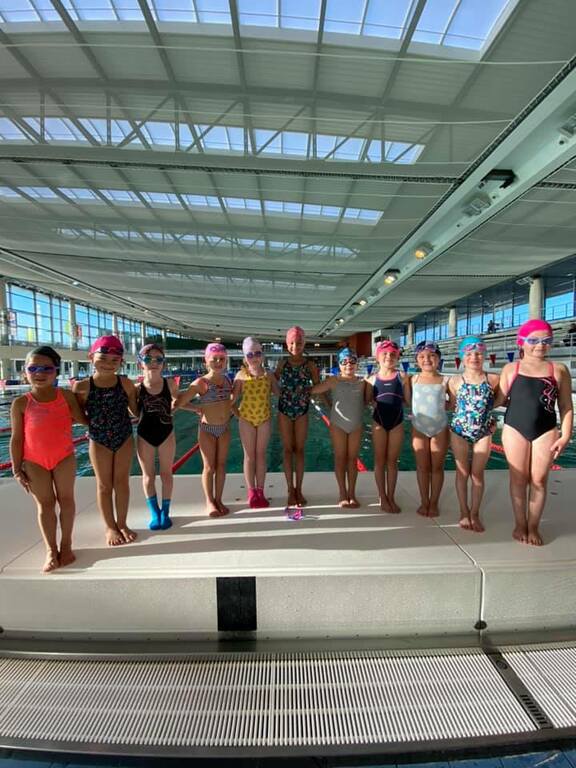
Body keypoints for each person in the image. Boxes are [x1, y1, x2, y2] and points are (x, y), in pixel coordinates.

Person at [10, 346, 87, 572]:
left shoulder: (66, 396)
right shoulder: (21, 403)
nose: (40, 373)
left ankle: (66, 545)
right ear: (25, 372)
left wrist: (89, 399)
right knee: (45, 505)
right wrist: (16, 468)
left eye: (47, 368)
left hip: (64, 457)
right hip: (34, 462)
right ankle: (51, 550)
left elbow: (83, 419)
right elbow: (17, 439)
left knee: (66, 500)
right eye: (33, 368)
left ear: (56, 371)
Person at [499, 319, 572, 545]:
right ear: (521, 342)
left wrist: (566, 435)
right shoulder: (511, 369)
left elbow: (566, 406)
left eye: (546, 340)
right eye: (533, 340)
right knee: (518, 479)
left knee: (539, 480)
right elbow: (498, 400)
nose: (540, 345)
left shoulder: (558, 370)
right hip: (514, 429)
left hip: (546, 429)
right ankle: (520, 524)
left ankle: (533, 526)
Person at [74, 335, 138, 547]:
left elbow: (135, 411)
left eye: (114, 360)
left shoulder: (125, 383)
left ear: (121, 361)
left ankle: (122, 524)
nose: (109, 364)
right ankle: (110, 527)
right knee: (104, 485)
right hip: (99, 440)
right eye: (103, 358)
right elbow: (79, 416)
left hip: (124, 436)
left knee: (122, 483)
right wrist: (95, 427)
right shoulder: (82, 387)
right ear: (91, 357)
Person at [175, 342, 233, 518]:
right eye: (214, 359)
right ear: (206, 361)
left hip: (224, 428)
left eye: (222, 359)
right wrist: (196, 409)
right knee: (209, 467)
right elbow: (180, 402)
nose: (218, 362)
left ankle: (219, 499)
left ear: (226, 360)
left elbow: (229, 401)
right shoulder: (201, 383)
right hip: (207, 429)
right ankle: (209, 501)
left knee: (221, 466)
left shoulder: (228, 380)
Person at [448, 335, 499, 532]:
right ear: (462, 357)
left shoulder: (493, 379)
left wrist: (491, 420)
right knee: (462, 473)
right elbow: (454, 406)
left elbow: (499, 402)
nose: (474, 357)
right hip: (459, 431)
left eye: (478, 353)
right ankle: (463, 511)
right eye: (469, 354)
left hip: (484, 432)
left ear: (484, 355)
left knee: (477, 474)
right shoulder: (454, 381)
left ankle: (475, 513)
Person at [312, 347, 365, 508]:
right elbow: (314, 390)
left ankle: (352, 494)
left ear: (357, 363)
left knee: (352, 459)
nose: (348, 364)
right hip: (338, 425)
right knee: (340, 458)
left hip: (356, 425)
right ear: (339, 364)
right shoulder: (333, 381)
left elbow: (372, 398)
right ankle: (343, 493)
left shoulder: (363, 382)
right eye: (344, 361)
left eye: (352, 361)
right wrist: (327, 402)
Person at [135, 343, 179, 530]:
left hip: (166, 434)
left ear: (163, 364)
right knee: (148, 476)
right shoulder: (137, 388)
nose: (153, 363)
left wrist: (197, 409)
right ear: (140, 364)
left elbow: (178, 401)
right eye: (148, 359)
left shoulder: (170, 384)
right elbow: (133, 411)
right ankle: (154, 512)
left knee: (166, 474)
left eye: (158, 359)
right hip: (144, 435)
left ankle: (165, 512)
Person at [275, 326, 320, 507]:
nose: (295, 346)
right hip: (284, 409)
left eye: (299, 342)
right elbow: (272, 382)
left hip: (302, 409)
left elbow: (318, 386)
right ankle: (289, 490)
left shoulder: (310, 365)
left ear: (304, 343)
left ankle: (299, 489)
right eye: (292, 343)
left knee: (299, 450)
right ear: (287, 345)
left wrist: (332, 407)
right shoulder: (282, 364)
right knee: (288, 450)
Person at [233, 337, 279, 509]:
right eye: (250, 354)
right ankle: (251, 491)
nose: (254, 357)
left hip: (264, 419)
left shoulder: (269, 375)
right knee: (249, 456)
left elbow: (280, 394)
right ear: (245, 357)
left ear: (262, 355)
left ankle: (260, 490)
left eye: (257, 353)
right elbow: (232, 400)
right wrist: (237, 415)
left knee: (261, 455)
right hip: (246, 419)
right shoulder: (240, 376)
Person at [365, 340, 408, 513]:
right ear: (378, 357)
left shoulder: (402, 377)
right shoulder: (371, 379)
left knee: (392, 461)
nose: (389, 357)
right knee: (379, 460)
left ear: (397, 357)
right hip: (379, 422)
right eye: (385, 354)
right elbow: (367, 400)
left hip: (397, 422)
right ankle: (382, 497)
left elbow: (408, 401)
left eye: (392, 354)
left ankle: (391, 496)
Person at [410, 341, 449, 517]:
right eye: (422, 356)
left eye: (432, 355)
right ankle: (424, 501)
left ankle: (434, 503)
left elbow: (452, 403)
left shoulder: (446, 380)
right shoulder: (413, 379)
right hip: (419, 428)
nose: (427, 359)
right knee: (422, 467)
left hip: (440, 428)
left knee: (437, 467)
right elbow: (407, 401)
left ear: (439, 359)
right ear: (417, 360)